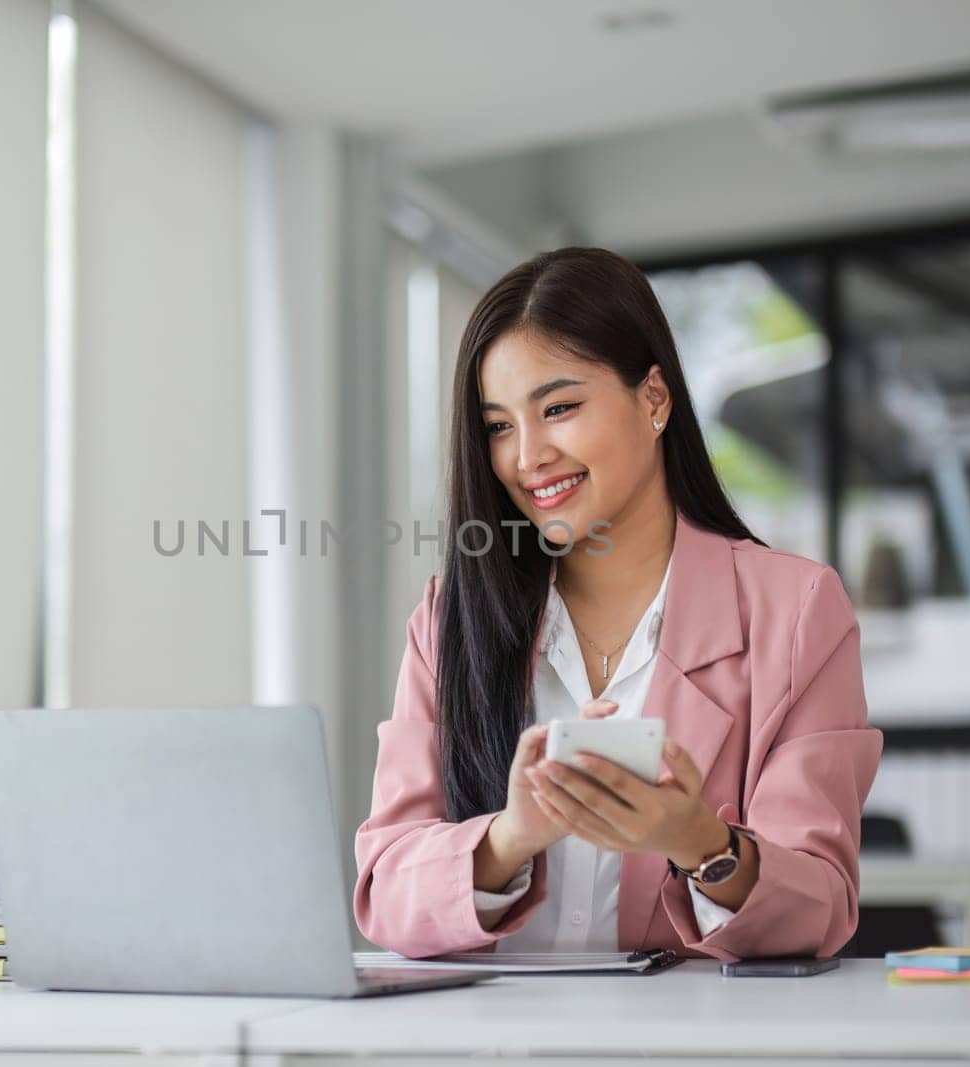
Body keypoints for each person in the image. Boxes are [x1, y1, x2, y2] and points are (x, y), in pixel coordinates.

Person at [353, 247, 883, 962]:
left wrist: (697, 840)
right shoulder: (449, 619)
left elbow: (820, 906)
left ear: (654, 399)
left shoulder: (794, 610)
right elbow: (385, 890)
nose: (527, 455)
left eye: (560, 408)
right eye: (500, 425)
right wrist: (511, 836)